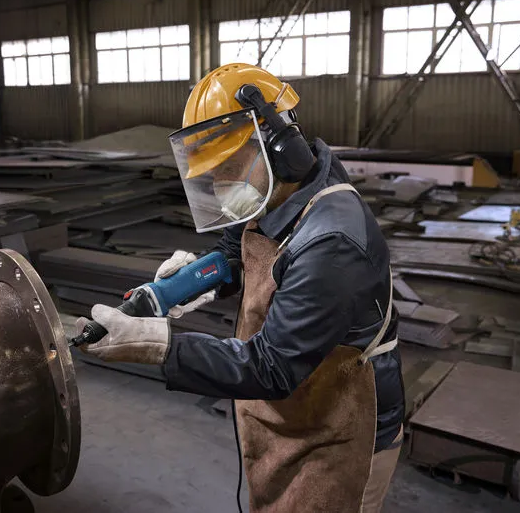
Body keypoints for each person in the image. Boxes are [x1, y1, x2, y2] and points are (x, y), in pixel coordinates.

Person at [75, 63, 405, 513]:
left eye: (229, 166)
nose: (221, 185)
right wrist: (176, 289)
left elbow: (271, 367)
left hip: (343, 433)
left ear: (280, 146)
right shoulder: (281, 190)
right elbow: (237, 254)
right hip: (300, 413)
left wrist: (157, 345)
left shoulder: (333, 241)